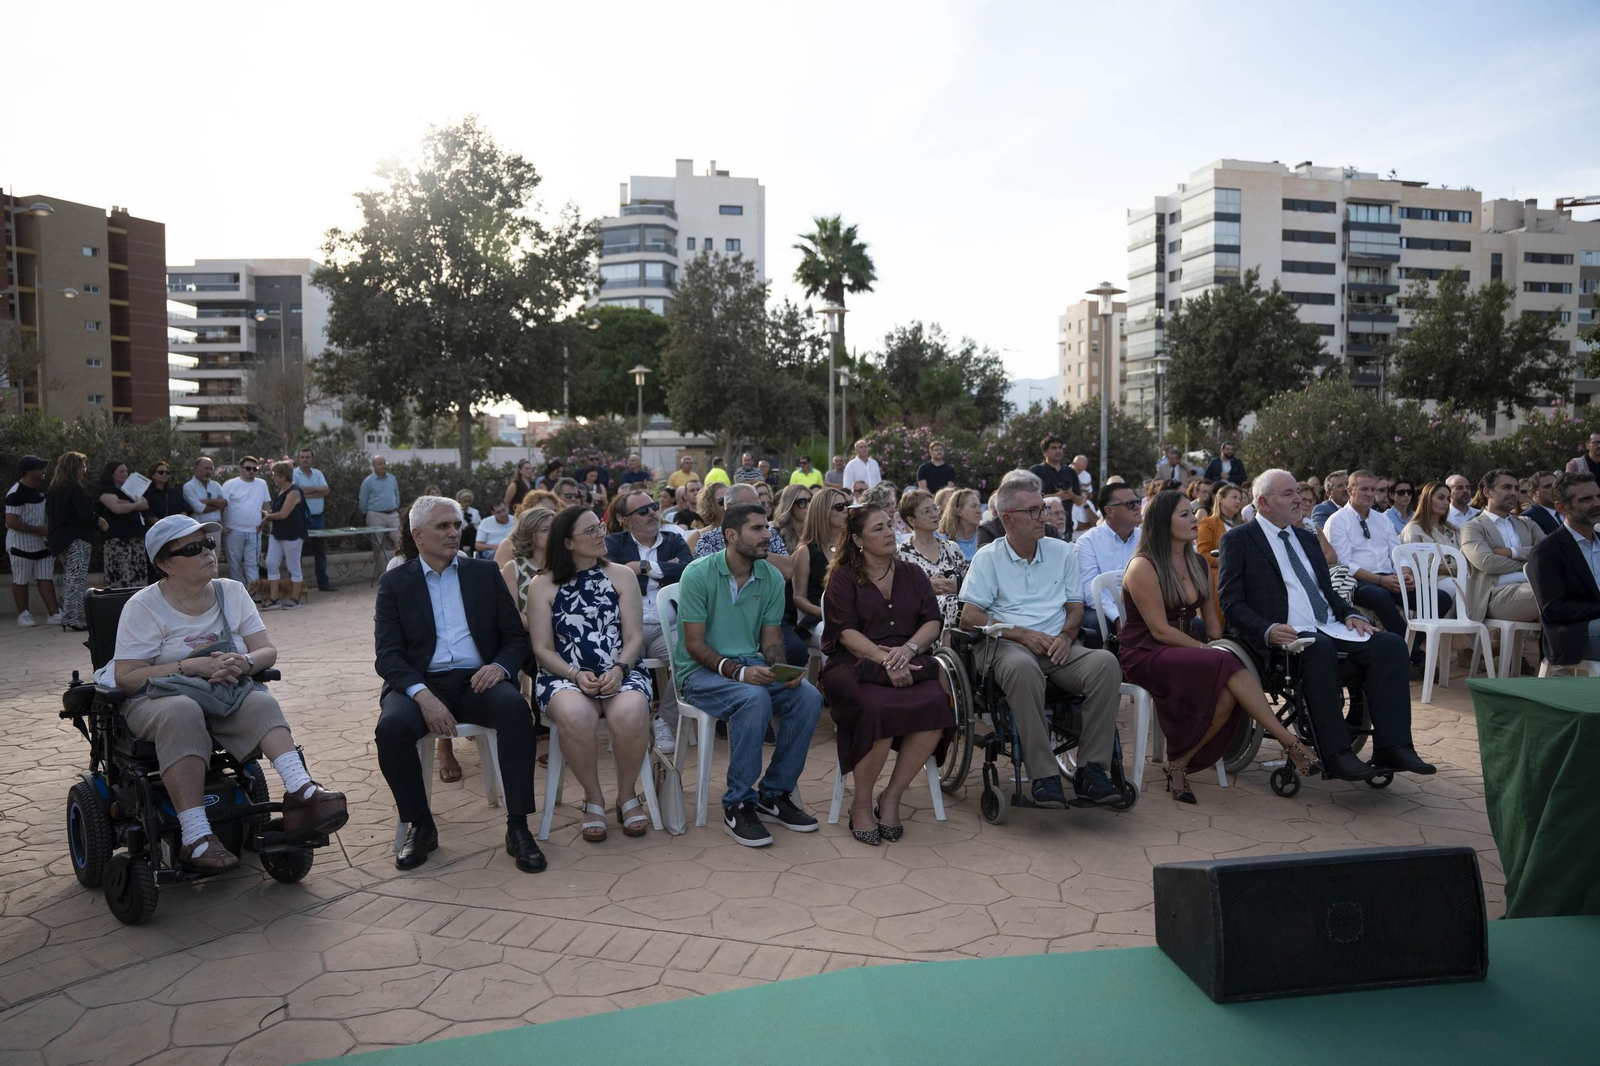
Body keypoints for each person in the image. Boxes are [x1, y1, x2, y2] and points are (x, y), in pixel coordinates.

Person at [106, 513, 347, 870]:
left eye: (208, 543)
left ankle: (302, 791)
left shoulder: (230, 591)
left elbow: (266, 650)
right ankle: (195, 836)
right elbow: (126, 676)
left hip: (222, 691)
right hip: (157, 698)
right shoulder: (142, 607)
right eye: (192, 548)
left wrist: (243, 661)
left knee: (258, 699)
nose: (207, 551)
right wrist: (190, 666)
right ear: (164, 564)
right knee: (182, 711)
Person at [1219, 470, 1436, 780]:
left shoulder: (1308, 538)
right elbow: (1231, 603)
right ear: (1264, 502)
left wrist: (1351, 613)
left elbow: (1326, 591)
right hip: (1285, 637)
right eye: (1288, 494)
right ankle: (1336, 754)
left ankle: (1394, 746)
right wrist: (1267, 630)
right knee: (1317, 647)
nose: (1298, 499)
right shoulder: (1238, 540)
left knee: (1390, 644)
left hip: (1328, 626)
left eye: (1297, 492)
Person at [374, 495, 545, 874]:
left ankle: (518, 827)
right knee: (391, 729)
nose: (454, 532)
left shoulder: (483, 574)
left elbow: (515, 638)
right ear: (417, 535)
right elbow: (387, 656)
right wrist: (422, 695)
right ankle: (421, 824)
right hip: (420, 683)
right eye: (443, 526)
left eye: (456, 525)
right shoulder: (395, 583)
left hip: (478, 680)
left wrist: (501, 667)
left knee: (516, 710)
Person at [1120, 491, 1320, 803]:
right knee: (1224, 663)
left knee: (1229, 675)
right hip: (1145, 652)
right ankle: (1289, 741)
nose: (1195, 520)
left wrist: (1236, 639)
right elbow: (1159, 631)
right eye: (1185, 514)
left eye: (1193, 513)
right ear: (1162, 522)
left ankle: (1180, 763)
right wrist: (1206, 650)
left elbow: (1214, 624)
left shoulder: (1198, 562)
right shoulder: (1143, 566)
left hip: (1185, 648)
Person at [957, 479, 1125, 808]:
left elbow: (1075, 607)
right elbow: (970, 616)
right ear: (1007, 518)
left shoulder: (1062, 551)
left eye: (1043, 509)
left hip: (1055, 643)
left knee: (1105, 664)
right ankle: (1044, 773)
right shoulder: (988, 557)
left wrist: (1067, 636)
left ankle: (1091, 770)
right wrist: (1020, 633)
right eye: (1033, 511)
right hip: (1004, 644)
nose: (1042, 516)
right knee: (1023, 667)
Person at [672, 503, 824, 846]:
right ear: (731, 535)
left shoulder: (769, 576)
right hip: (698, 674)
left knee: (809, 697)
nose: (767, 535)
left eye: (767, 527)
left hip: (748, 664)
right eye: (757, 529)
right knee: (753, 698)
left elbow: (771, 640)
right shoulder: (697, 574)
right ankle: (738, 803)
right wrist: (739, 672)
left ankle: (775, 793)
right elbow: (694, 646)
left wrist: (782, 670)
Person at [821, 504, 951, 844]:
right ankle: (861, 803)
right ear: (858, 540)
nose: (889, 533)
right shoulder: (843, 577)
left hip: (908, 655)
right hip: (854, 662)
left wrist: (906, 651)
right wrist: (885, 661)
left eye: (889, 526)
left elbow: (932, 622)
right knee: (876, 707)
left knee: (937, 702)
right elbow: (845, 633)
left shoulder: (912, 573)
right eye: (877, 529)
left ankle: (891, 796)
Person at [528, 505, 654, 842]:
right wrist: (574, 674)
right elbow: (541, 648)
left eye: (600, 527)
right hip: (562, 675)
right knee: (574, 715)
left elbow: (634, 637)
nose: (602, 534)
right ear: (568, 543)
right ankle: (593, 797)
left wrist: (619, 668)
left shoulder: (621, 575)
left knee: (631, 712)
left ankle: (626, 794)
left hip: (622, 668)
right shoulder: (542, 585)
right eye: (592, 531)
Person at [1328, 469, 1449, 665]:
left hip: (1390, 579)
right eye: (1364, 489)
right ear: (1350, 490)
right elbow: (1343, 563)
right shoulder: (1337, 520)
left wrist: (1405, 574)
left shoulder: (1381, 519)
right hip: (1359, 581)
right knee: (1381, 597)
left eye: (1373, 489)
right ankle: (1415, 656)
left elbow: (1398, 553)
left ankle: (1408, 649)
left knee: (1441, 598)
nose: (1369, 494)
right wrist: (1380, 580)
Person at [605, 487, 694, 756]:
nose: (652, 513)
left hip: (667, 628)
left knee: (692, 657)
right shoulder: (614, 543)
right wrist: (666, 569)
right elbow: (609, 575)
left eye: (653, 506)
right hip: (626, 629)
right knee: (615, 668)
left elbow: (687, 571)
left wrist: (642, 566)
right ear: (627, 521)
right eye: (643, 510)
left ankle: (664, 720)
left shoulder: (673, 539)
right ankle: (631, 727)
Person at [693, 483, 807, 666]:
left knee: (796, 652)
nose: (757, 511)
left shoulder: (768, 535)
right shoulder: (708, 540)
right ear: (729, 508)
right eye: (750, 506)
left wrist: (753, 548)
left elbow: (787, 570)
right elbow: (712, 580)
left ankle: (777, 688)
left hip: (764, 615)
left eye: (759, 506)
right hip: (723, 619)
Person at [1460, 470, 1544, 658]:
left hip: (1529, 588)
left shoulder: (1527, 523)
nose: (1513, 492)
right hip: (1493, 595)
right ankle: (1557, 663)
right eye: (1506, 487)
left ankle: (1559, 662)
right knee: (1550, 591)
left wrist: (1512, 552)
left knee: (1567, 594)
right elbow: (1488, 563)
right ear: (1487, 492)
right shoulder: (1473, 527)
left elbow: (1548, 553)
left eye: (1516, 488)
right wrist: (1530, 561)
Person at [1526, 472, 1600, 665]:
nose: (1596, 503)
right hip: (1573, 633)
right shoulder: (1547, 551)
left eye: (1598, 496)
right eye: (1586, 499)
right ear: (1561, 507)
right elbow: (1554, 609)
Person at [1075, 482, 1144, 646]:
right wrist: (1118, 616)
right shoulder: (1087, 542)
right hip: (1104, 609)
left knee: (1193, 624)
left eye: (1137, 501)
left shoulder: (1146, 538)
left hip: (1143, 606)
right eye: (1129, 504)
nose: (1137, 507)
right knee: (1095, 623)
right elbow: (1089, 590)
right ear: (1109, 510)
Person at [47, 451, 104, 632]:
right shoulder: (75, 489)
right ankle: (73, 618)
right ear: (75, 468)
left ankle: (69, 616)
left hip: (59, 539)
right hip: (76, 539)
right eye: (83, 466)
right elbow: (85, 514)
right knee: (76, 579)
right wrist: (99, 521)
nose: (84, 470)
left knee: (71, 579)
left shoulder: (54, 489)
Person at [897, 489, 966, 632]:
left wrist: (958, 586)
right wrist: (926, 588)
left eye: (934, 508)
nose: (934, 514)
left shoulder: (952, 548)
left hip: (959, 617)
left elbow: (972, 583)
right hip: (920, 620)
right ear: (911, 520)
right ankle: (947, 651)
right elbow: (897, 594)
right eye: (926, 511)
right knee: (950, 602)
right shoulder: (902, 554)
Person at [5, 455, 61, 626]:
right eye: (39, 468)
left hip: (41, 543)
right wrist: (39, 530)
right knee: (21, 579)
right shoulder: (15, 493)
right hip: (20, 545)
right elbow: (11, 522)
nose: (43, 472)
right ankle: (23, 614)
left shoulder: (38, 491)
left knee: (45, 576)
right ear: (28, 471)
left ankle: (54, 613)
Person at [792, 487, 848, 636]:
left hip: (853, 614)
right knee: (832, 632)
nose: (845, 510)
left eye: (847, 505)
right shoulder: (806, 551)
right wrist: (825, 613)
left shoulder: (853, 545)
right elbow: (799, 597)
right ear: (823, 512)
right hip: (817, 619)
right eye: (839, 507)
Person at [1401, 481, 1464, 602]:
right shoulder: (1413, 529)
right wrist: (1457, 569)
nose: (1446, 503)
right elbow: (1420, 567)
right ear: (1427, 499)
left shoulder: (1453, 530)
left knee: (1483, 589)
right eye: (1440, 498)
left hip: (1459, 576)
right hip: (1431, 581)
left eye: (1448, 498)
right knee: (1468, 590)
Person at [259, 461, 307, 611]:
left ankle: (295, 598)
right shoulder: (279, 491)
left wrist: (267, 516)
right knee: (271, 563)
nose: (274, 478)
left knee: (293, 566)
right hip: (278, 533)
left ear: (283, 476)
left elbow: (283, 514)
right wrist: (267, 519)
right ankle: (274, 599)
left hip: (292, 533)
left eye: (276, 476)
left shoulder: (294, 492)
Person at [219, 457, 270, 594]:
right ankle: (239, 595)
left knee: (252, 565)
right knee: (234, 565)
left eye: (255, 469)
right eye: (248, 468)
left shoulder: (262, 484)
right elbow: (221, 506)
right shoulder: (229, 484)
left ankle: (254, 594)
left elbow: (266, 506)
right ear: (240, 469)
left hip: (255, 531)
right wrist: (222, 526)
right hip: (233, 532)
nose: (251, 471)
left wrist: (265, 520)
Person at [1196, 482, 1246, 620]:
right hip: (1219, 580)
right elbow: (1202, 554)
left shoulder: (1244, 524)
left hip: (1244, 580)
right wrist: (1227, 563)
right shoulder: (1208, 523)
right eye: (1234, 497)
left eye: (1240, 499)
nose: (1238, 501)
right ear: (1220, 499)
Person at [96, 460, 149, 588]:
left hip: (136, 537)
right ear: (111, 474)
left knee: (138, 574)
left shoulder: (130, 490)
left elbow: (145, 504)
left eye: (126, 471)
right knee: (119, 574)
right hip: (117, 538)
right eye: (121, 471)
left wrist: (128, 504)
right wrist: (135, 505)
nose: (125, 474)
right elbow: (116, 508)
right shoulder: (106, 489)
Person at [976, 471, 1064, 548]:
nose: (1043, 518)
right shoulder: (989, 532)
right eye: (1032, 510)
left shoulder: (1051, 533)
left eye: (1036, 492)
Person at [292, 449, 335, 593]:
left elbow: (326, 491)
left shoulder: (318, 473)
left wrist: (306, 492)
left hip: (317, 519)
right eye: (302, 457)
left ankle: (323, 583)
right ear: (298, 459)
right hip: (300, 520)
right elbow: (296, 493)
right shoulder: (294, 474)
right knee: (298, 553)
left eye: (307, 457)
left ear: (313, 459)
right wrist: (317, 490)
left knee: (320, 553)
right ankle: (296, 586)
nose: (305, 459)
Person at [1030, 434, 1084, 527]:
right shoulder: (1036, 471)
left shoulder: (1070, 472)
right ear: (1045, 452)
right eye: (1053, 448)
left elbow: (1079, 501)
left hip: (1066, 524)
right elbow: (1030, 499)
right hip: (1043, 523)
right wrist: (1056, 496)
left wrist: (1071, 495)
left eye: (1060, 447)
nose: (1058, 451)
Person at [359, 454, 403, 559]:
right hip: (375, 515)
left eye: (384, 463)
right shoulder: (368, 481)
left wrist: (396, 507)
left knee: (401, 542)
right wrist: (365, 513)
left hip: (392, 514)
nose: (383, 466)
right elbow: (363, 499)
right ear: (373, 466)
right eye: (380, 464)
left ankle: (403, 568)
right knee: (378, 546)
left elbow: (396, 494)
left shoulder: (392, 478)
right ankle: (382, 574)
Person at [938, 487, 982, 561]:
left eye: (979, 506)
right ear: (959, 511)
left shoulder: (984, 534)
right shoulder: (942, 538)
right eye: (974, 506)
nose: (979, 511)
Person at [142, 459, 189, 526]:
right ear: (153, 475)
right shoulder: (147, 494)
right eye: (161, 472)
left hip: (178, 528)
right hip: (158, 530)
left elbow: (185, 508)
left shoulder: (174, 492)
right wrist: (165, 526)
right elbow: (149, 516)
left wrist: (179, 521)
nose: (164, 474)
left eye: (167, 472)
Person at [773, 484, 811, 554]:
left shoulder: (817, 532)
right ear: (790, 505)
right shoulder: (775, 535)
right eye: (802, 502)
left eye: (810, 500)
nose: (809, 506)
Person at [1524, 471, 1561, 536]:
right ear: (1534, 492)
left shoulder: (1567, 511)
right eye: (1548, 486)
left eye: (1556, 485)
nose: (1554, 489)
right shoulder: (1529, 518)